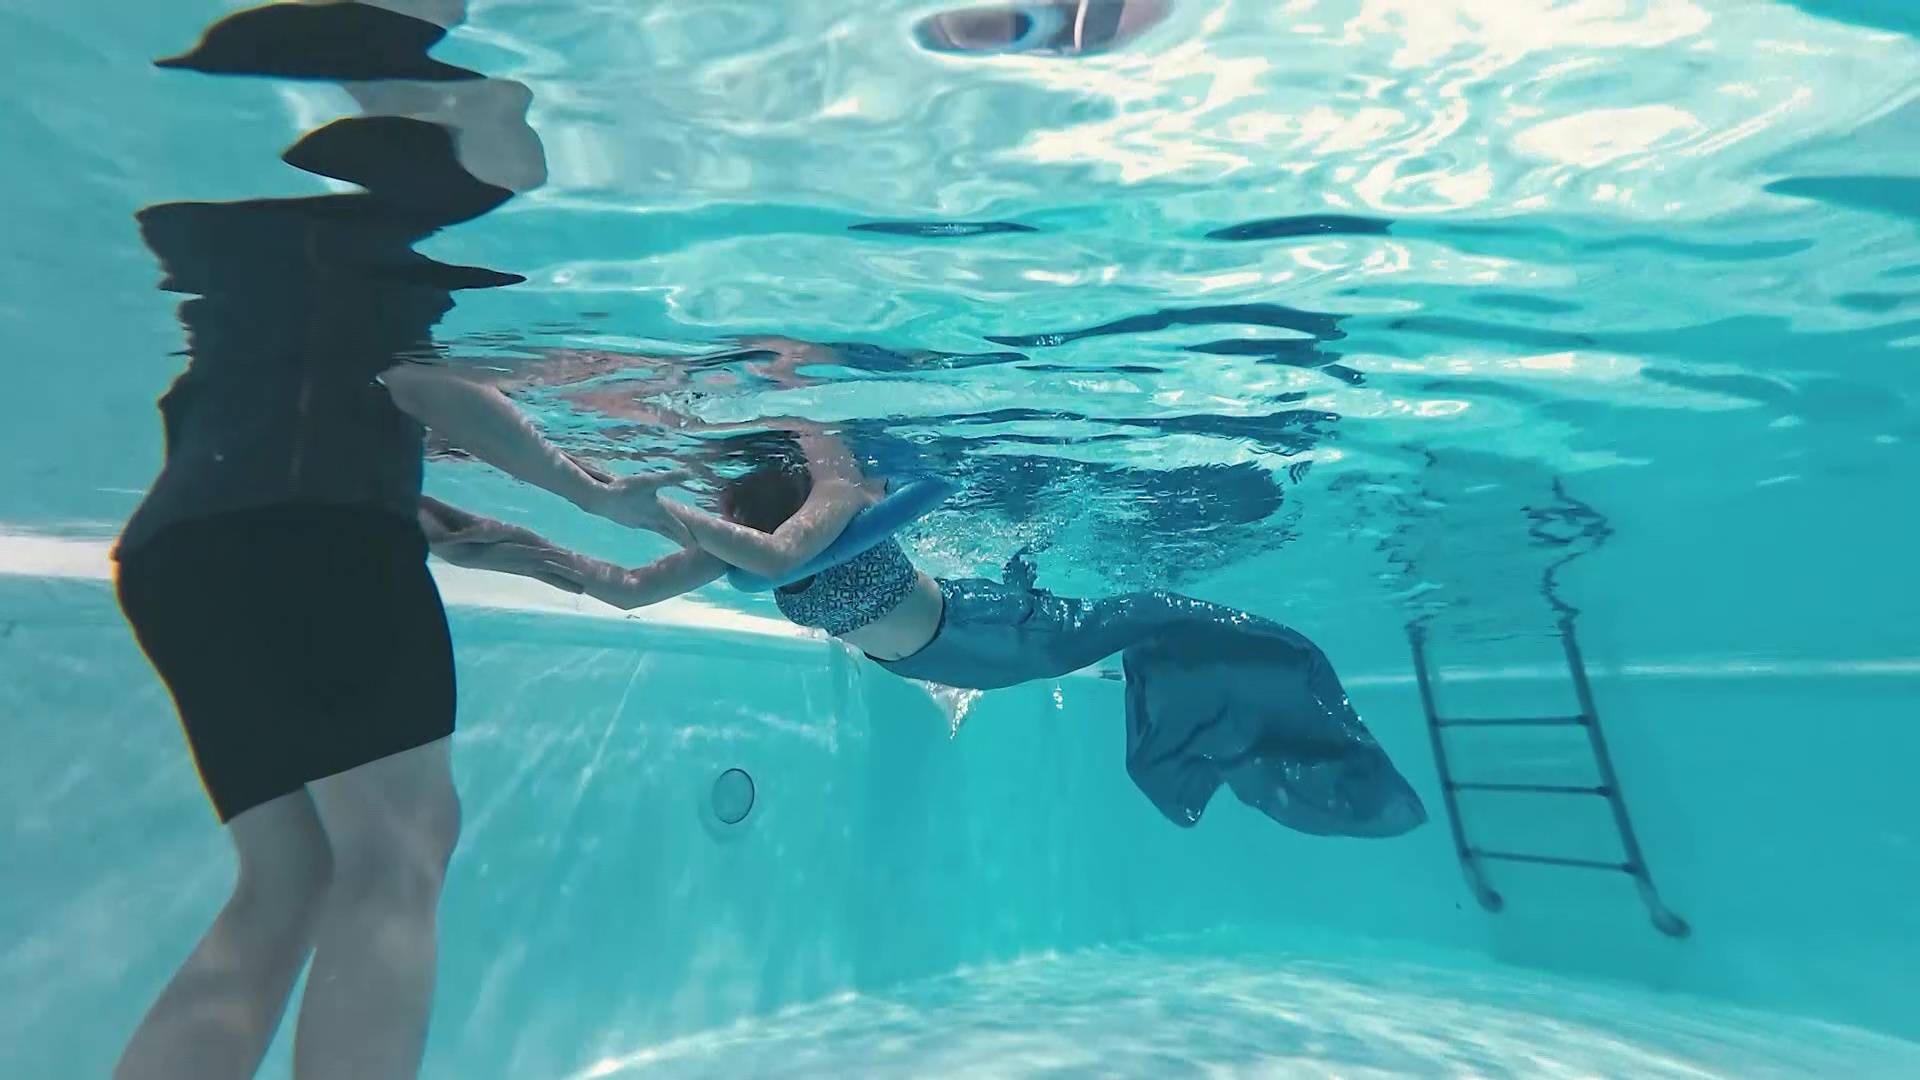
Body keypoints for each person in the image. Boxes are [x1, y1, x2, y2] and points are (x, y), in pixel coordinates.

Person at [112, 4, 689, 1078]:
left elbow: (270, 425)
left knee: (285, 877)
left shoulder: (287, 275)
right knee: (398, 853)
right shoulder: (372, 257)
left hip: (176, 559)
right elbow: (421, 387)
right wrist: (593, 491)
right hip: (310, 537)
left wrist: (402, 509)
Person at [546, 420, 1427, 839]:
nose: (713, 507)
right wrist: (517, 549)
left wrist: (647, 505)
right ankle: (1209, 702)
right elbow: (627, 590)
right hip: (960, 643)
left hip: (1005, 637)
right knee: (1153, 621)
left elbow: (782, 545)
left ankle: (1331, 752)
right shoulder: (741, 553)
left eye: (721, 502)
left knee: (1174, 615)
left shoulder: (829, 522)